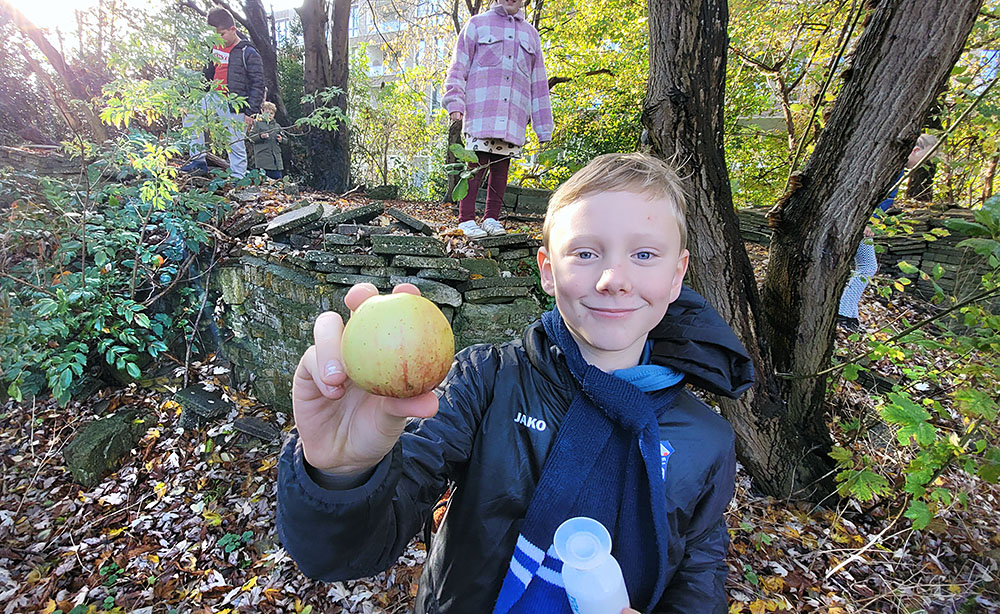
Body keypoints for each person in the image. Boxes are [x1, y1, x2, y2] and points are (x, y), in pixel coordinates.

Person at [276, 153, 754, 614]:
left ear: (677, 275)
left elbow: (698, 582)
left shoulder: (706, 441)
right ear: (548, 271)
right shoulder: (486, 382)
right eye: (585, 253)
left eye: (644, 254)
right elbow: (346, 554)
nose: (613, 278)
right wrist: (341, 475)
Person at [443, 0, 554, 238]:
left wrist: (543, 127)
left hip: (513, 116)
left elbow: (539, 83)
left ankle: (491, 218)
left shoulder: (530, 35)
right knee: (475, 166)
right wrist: (455, 102)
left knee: (501, 168)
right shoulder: (477, 24)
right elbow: (458, 67)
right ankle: (466, 218)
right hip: (482, 112)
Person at [837, 133, 939, 331]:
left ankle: (850, 316)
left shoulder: (894, 167)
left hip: (862, 222)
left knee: (867, 266)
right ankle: (843, 314)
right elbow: (872, 195)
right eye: (925, 158)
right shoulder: (892, 169)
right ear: (915, 150)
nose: (922, 163)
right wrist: (867, 221)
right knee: (867, 266)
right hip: (858, 222)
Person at [180, 7, 264, 180]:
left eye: (222, 34)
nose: (219, 38)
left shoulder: (248, 52)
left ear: (233, 29)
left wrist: (251, 112)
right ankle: (198, 161)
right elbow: (206, 75)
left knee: (235, 142)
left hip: (235, 103)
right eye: (216, 35)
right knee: (192, 118)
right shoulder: (215, 48)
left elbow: (258, 83)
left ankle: (238, 177)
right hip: (213, 96)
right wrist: (194, 98)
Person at [249, 101, 284, 180]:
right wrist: (261, 136)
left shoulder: (277, 126)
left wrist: (281, 139)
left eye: (271, 113)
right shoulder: (257, 124)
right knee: (264, 182)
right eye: (267, 113)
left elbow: (286, 140)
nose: (269, 115)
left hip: (276, 162)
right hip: (263, 161)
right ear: (262, 112)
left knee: (278, 182)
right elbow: (251, 137)